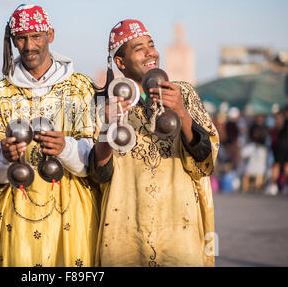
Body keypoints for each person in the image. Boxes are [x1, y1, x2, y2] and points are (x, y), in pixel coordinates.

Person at [90, 19, 219, 267]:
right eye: (139, 48)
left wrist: (181, 112)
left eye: (151, 45)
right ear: (120, 63)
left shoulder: (183, 93)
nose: (151, 53)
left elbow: (206, 160)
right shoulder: (105, 104)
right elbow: (99, 174)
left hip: (179, 228)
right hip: (124, 230)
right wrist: (109, 125)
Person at [0, 4, 100, 267]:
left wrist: (66, 147)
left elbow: (96, 161)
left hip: (71, 212)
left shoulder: (82, 87)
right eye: (21, 38)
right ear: (13, 40)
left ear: (51, 35)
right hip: (16, 215)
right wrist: (2, 156)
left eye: (36, 36)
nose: (29, 45)